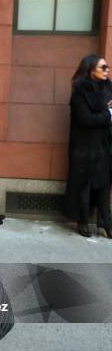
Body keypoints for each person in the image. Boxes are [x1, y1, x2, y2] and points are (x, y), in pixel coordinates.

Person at [64, 54, 112, 238]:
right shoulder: (80, 91)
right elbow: (85, 119)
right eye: (103, 67)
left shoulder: (109, 87)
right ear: (91, 70)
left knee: (104, 185)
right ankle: (82, 221)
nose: (107, 70)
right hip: (84, 148)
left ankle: (106, 223)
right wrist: (107, 113)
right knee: (84, 185)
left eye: (107, 67)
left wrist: (106, 113)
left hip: (104, 146)